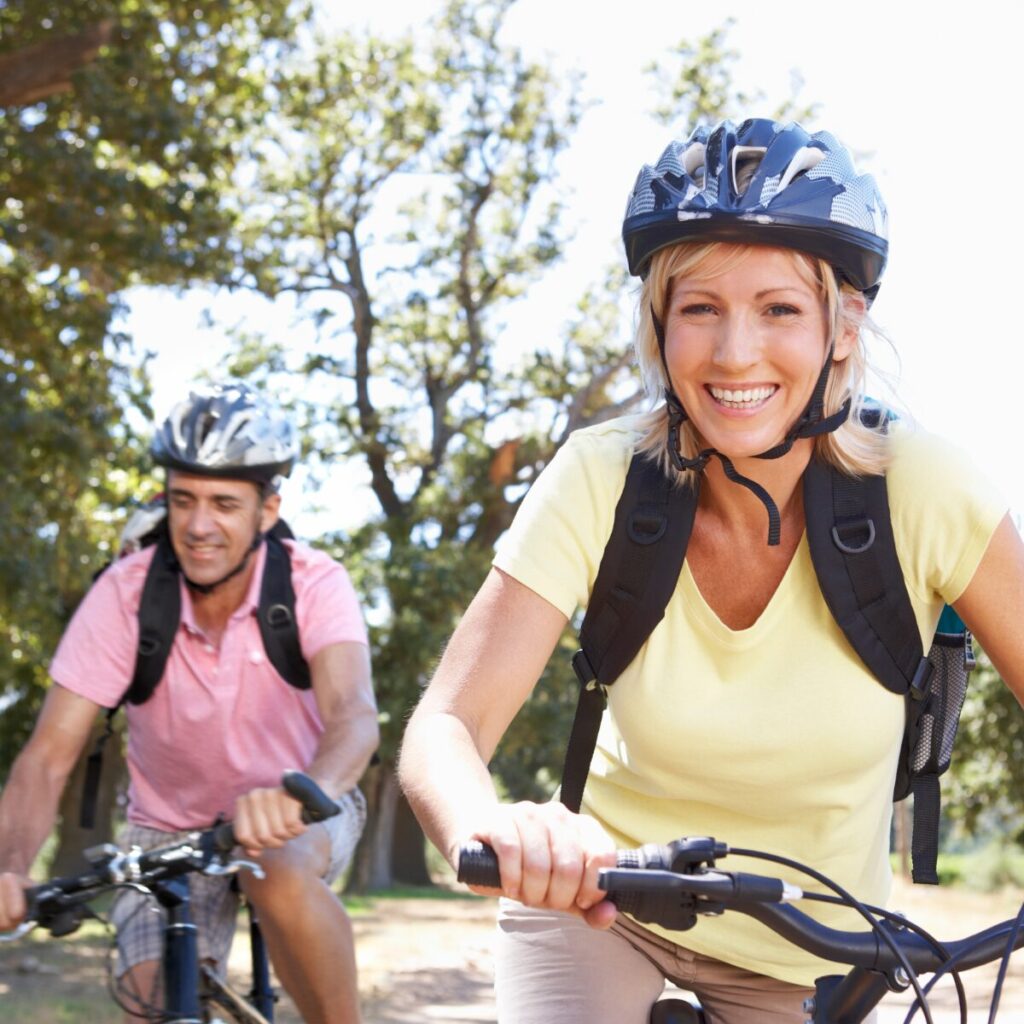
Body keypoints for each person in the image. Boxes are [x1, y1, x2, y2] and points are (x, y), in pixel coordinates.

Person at [398, 118, 1024, 1024]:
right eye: (700, 308)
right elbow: (446, 724)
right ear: (660, 323)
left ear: (842, 328)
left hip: (816, 950)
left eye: (778, 309)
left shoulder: (924, 489)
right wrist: (490, 826)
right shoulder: (601, 475)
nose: (735, 354)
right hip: (602, 901)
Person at [0, 381, 379, 1024]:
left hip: (303, 803)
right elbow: (46, 758)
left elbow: (354, 717)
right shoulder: (126, 595)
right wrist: (8, 867)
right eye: (183, 501)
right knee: (150, 1000)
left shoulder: (314, 582)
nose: (199, 526)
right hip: (165, 827)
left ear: (266, 509)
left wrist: (302, 793)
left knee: (278, 869)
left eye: (224, 504)